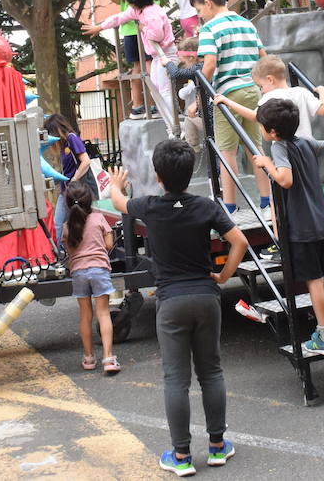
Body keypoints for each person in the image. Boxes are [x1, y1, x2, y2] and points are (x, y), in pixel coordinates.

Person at [109, 139, 248, 476]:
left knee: (176, 380)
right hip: (205, 296)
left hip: (170, 302)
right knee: (211, 371)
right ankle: (217, 447)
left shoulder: (151, 206)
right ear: (189, 175)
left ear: (158, 176)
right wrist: (222, 275)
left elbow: (119, 203)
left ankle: (182, 456)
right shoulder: (206, 206)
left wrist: (115, 184)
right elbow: (240, 242)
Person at [251, 98, 324, 355]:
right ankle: (323, 330)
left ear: (272, 131)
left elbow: (285, 179)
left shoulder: (278, 147)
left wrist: (266, 164)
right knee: (320, 281)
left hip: (301, 228)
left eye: (261, 125)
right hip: (319, 222)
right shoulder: (305, 141)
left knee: (314, 281)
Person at [191, 0, 266, 218]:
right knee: (255, 148)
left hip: (227, 95)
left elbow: (210, 64)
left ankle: (230, 206)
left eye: (199, 10)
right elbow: (263, 57)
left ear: (208, 3)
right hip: (253, 90)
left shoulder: (210, 29)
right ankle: (267, 202)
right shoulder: (246, 24)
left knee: (227, 152)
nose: (200, 16)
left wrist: (198, 95)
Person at [85, 0, 178, 125]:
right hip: (157, 57)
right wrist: (100, 27)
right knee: (156, 88)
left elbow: (157, 35)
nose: (126, 2)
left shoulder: (151, 13)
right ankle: (171, 123)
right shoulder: (139, 11)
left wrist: (143, 28)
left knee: (164, 90)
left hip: (165, 55)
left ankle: (173, 124)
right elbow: (119, 18)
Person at [108, 0, 173, 117]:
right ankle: (155, 104)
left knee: (137, 66)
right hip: (152, 26)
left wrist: (127, 3)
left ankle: (137, 106)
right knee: (153, 64)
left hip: (130, 27)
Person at [63, 180, 121, 374]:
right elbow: (109, 244)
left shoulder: (67, 226)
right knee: (103, 313)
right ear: (90, 200)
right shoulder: (98, 219)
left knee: (85, 315)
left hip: (79, 272)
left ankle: (88, 358)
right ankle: (108, 358)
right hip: (99, 270)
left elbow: (69, 251)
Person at [213, 55, 324, 140]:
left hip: (285, 148)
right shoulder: (301, 92)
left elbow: (255, 116)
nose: (261, 90)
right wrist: (322, 91)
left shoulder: (269, 97)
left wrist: (228, 102)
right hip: (307, 145)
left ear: (270, 79)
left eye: (261, 86)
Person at [46, 113, 92, 248]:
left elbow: (86, 161)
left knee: (59, 223)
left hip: (74, 190)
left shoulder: (71, 138)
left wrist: (74, 179)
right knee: (63, 223)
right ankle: (61, 253)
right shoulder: (64, 143)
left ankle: (58, 255)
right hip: (67, 190)